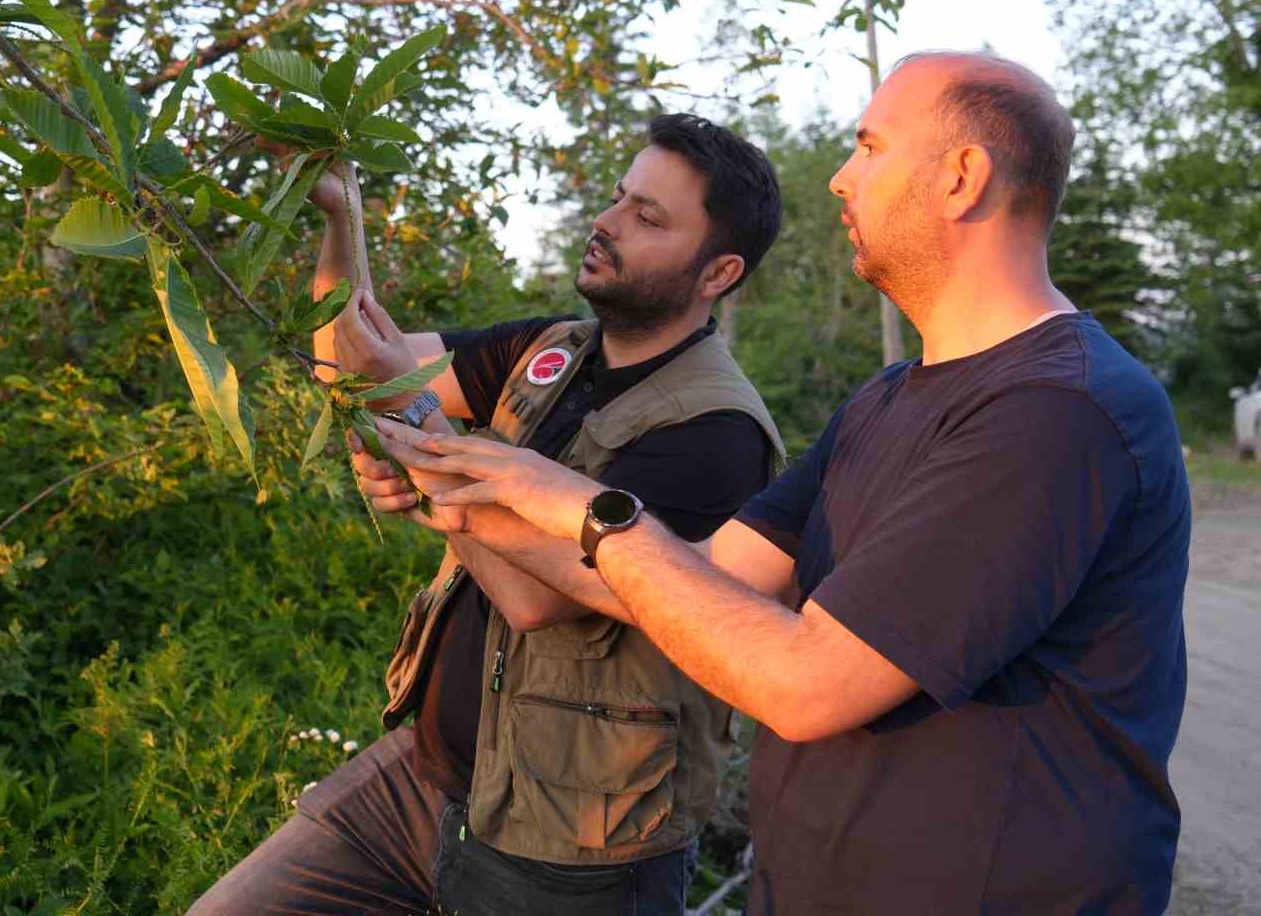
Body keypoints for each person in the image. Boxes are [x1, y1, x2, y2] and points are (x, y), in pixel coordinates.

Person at [368, 52, 1191, 914]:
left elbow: (805, 684)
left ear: (961, 177)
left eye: (869, 148)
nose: (841, 179)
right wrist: (458, 481)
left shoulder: (1056, 411)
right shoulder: (887, 398)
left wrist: (583, 506)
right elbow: (694, 578)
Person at [190, 114, 787, 915]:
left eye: (647, 218)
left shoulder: (715, 429)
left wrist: (428, 457)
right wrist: (342, 213)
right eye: (617, 199)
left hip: (573, 844)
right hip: (428, 780)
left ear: (717, 273)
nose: (605, 224)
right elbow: (355, 363)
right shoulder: (552, 349)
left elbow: (539, 598)